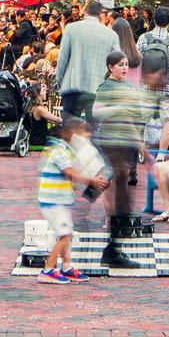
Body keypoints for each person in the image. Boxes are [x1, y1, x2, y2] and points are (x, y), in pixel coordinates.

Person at [93, 50, 167, 269]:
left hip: (126, 145)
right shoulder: (106, 87)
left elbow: (132, 121)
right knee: (119, 194)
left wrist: (142, 147)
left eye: (126, 64)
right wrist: (120, 107)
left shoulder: (129, 88)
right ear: (110, 67)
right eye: (120, 65)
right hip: (112, 143)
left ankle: (113, 248)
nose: (125, 68)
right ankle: (113, 250)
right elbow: (97, 112)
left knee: (123, 193)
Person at [36, 114, 105, 284]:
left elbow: (68, 177)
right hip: (53, 202)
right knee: (64, 234)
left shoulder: (63, 150)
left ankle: (66, 266)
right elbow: (70, 173)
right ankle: (47, 270)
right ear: (70, 134)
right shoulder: (59, 151)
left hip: (58, 200)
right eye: (83, 135)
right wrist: (92, 181)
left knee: (66, 234)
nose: (85, 140)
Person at [54, 0, 117, 120]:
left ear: (86, 13)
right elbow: (117, 64)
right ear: (101, 14)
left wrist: (60, 82)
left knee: (70, 130)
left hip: (72, 85)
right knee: (93, 129)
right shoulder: (111, 35)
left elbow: (62, 60)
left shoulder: (71, 29)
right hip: (96, 88)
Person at [136, 6, 169, 140]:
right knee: (167, 122)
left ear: (154, 19)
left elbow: (137, 60)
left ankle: (141, 151)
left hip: (147, 85)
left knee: (143, 119)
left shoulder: (143, 38)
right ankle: (161, 155)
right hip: (168, 86)